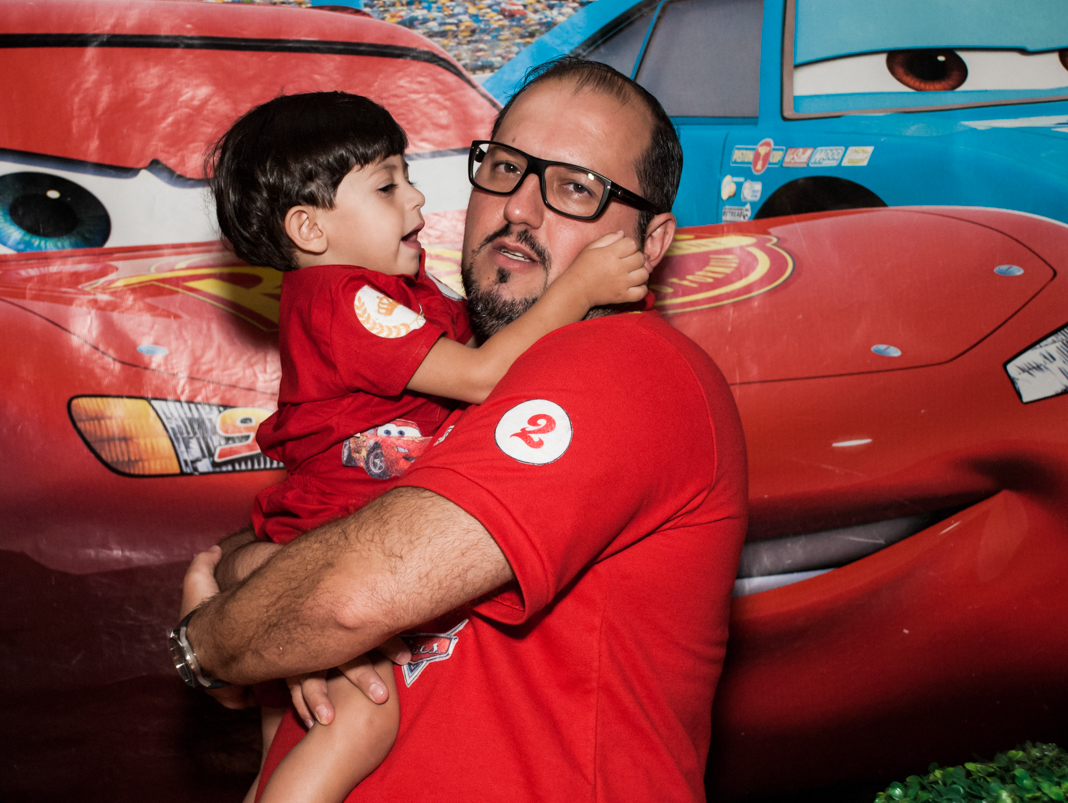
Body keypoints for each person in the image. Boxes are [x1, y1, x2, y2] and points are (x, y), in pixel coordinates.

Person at [175, 57, 748, 802]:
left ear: (649, 242)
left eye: (575, 188)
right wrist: (240, 575)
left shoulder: (629, 364)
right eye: (506, 168)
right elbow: (310, 545)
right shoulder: (434, 365)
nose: (520, 209)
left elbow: (349, 592)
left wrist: (208, 639)